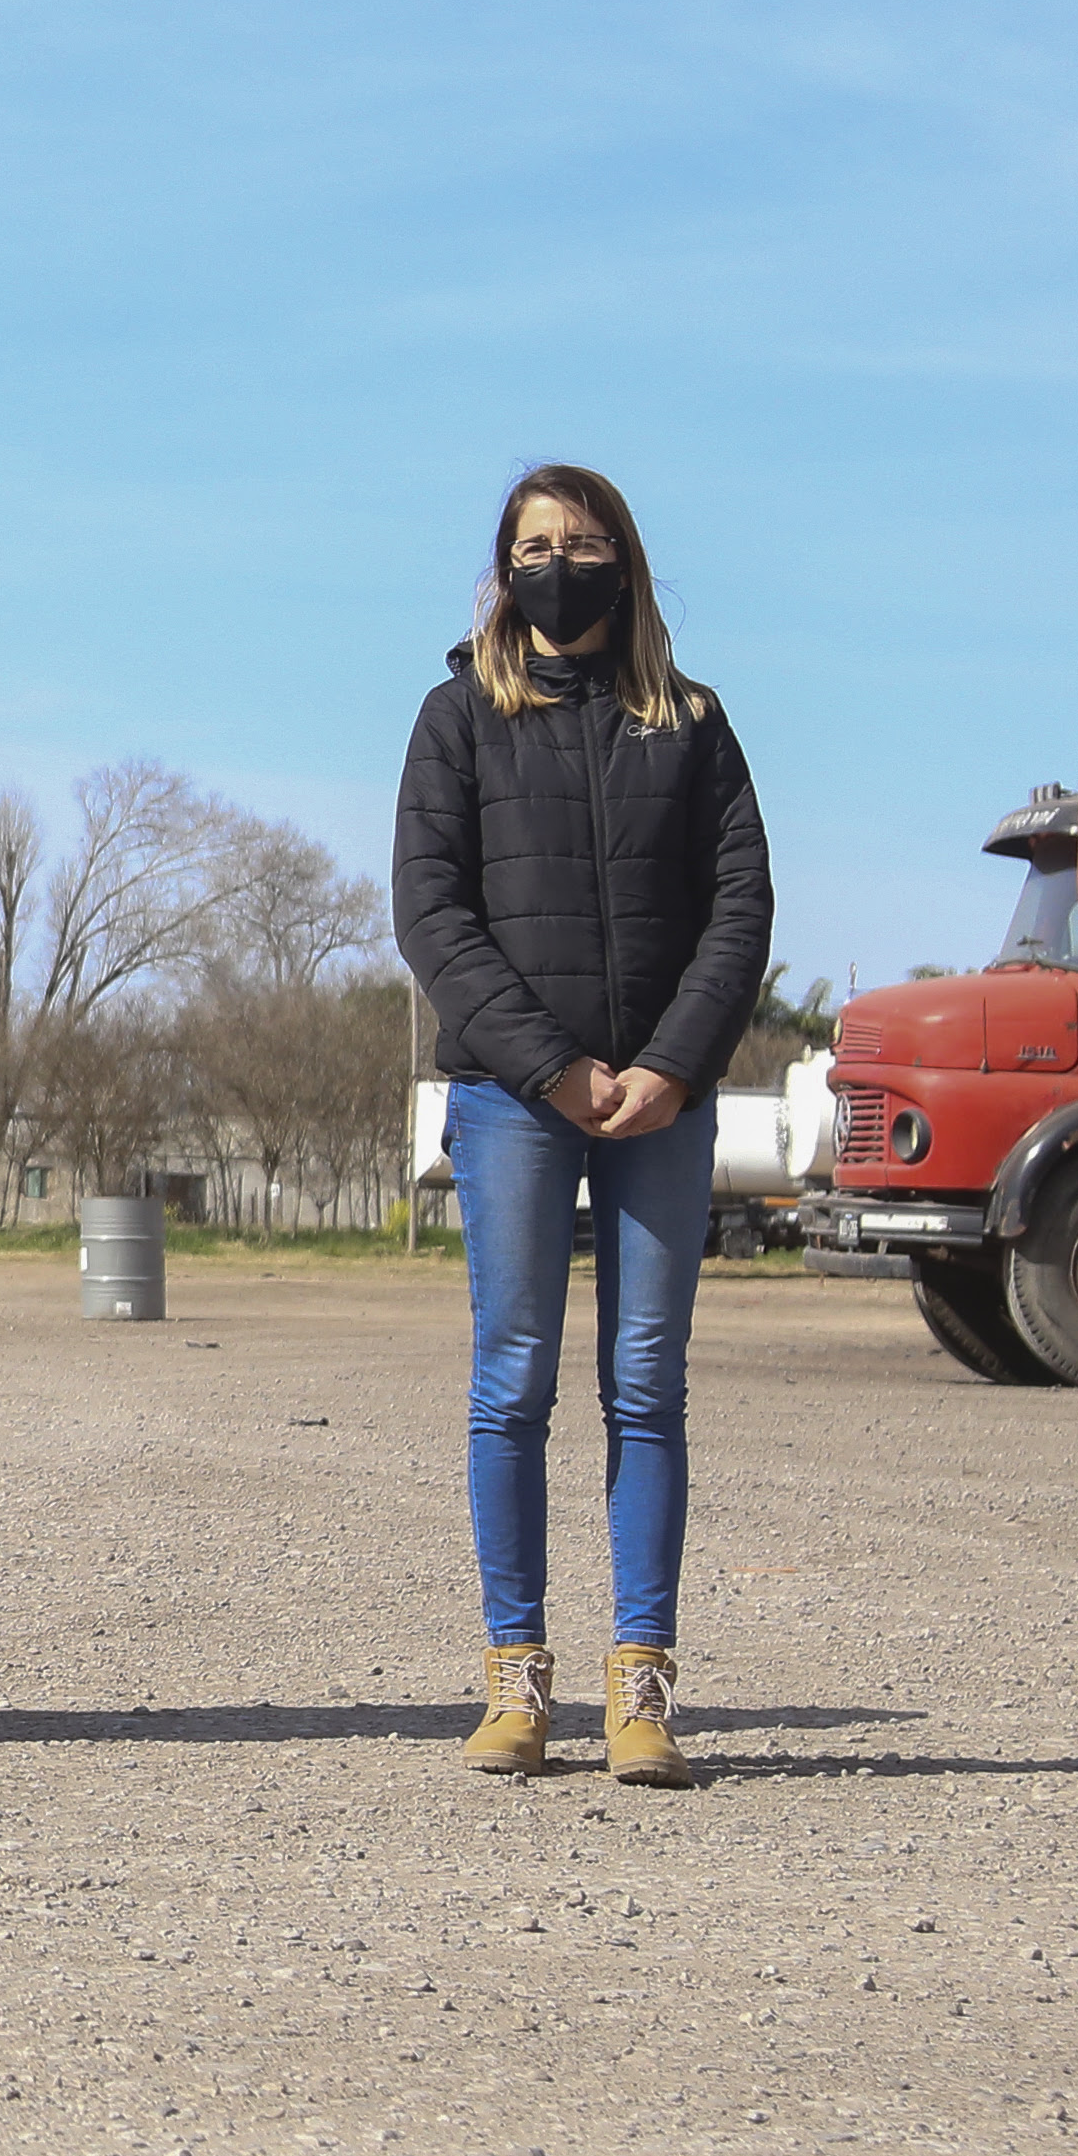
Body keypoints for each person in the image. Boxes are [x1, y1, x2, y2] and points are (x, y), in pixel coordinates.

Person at [391, 464, 772, 1790]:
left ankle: (641, 1692)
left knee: (645, 1389)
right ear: (504, 569)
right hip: (513, 1101)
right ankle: (513, 1681)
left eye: (585, 542)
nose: (561, 564)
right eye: (535, 545)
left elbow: (738, 912)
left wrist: (668, 1067)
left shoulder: (691, 723)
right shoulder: (457, 720)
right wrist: (551, 1066)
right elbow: (431, 917)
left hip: (661, 1107)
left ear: (626, 562)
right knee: (511, 1385)